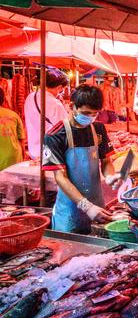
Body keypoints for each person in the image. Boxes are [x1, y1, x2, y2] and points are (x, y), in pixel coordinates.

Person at [42, 85, 122, 233]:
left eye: (95, 114)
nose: (90, 118)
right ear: (72, 106)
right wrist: (86, 206)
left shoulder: (98, 129)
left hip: (97, 205)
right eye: (86, 113)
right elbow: (60, 177)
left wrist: (110, 176)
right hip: (69, 210)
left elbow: (105, 161)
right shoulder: (55, 136)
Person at [24, 69, 69, 160]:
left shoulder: (30, 97)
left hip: (33, 150)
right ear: (59, 87)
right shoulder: (55, 104)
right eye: (63, 89)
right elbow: (67, 128)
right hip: (50, 152)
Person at [0, 88, 25, 171]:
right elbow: (21, 141)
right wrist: (23, 158)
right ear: (4, 100)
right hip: (14, 160)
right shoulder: (14, 115)